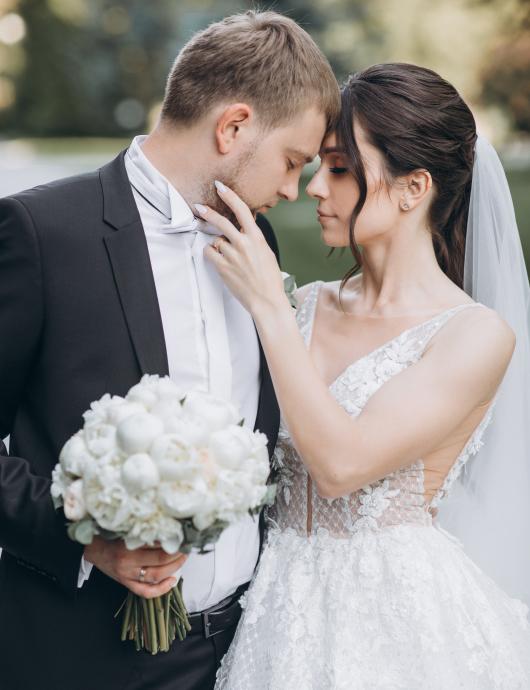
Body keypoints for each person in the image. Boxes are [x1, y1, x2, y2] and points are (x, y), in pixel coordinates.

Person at [0, 11, 340, 690]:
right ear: (234, 126)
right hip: (83, 652)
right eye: (293, 161)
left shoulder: (257, 245)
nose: (291, 190)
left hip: (246, 648)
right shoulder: (42, 233)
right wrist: (90, 542)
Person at [200, 63, 530, 689]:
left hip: (392, 627)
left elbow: (342, 465)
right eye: (318, 165)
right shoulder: (306, 305)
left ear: (413, 188)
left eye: (341, 169)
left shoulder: (474, 335)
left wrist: (268, 304)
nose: (316, 188)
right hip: (272, 604)